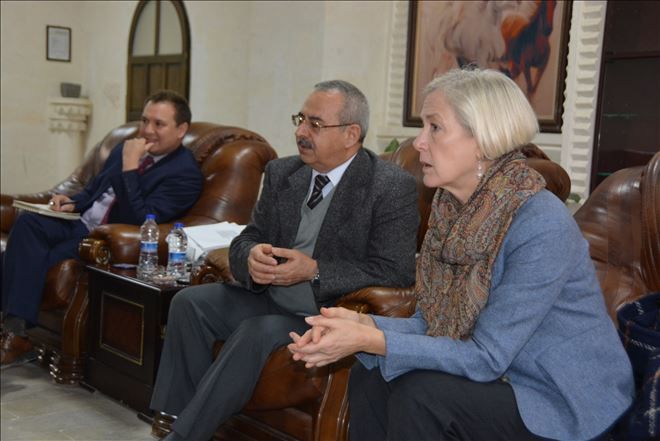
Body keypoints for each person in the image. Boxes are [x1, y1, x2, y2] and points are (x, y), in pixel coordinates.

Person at [288, 68, 635, 441]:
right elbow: (433, 326)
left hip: (558, 397)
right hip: (502, 378)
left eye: (435, 127)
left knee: (421, 396)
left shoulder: (541, 223)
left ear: (482, 140)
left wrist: (371, 340)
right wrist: (363, 326)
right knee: (371, 375)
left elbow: (487, 355)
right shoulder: (450, 213)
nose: (419, 142)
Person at [149, 80, 420, 440]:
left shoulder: (388, 186)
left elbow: (396, 271)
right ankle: (177, 418)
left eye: (315, 124)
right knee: (189, 304)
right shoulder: (283, 173)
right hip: (269, 297)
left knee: (256, 332)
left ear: (351, 134)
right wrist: (251, 257)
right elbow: (248, 237)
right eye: (300, 119)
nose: (301, 132)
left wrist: (316, 270)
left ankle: (184, 437)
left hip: (325, 313)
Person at [1, 90, 203, 365]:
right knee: (28, 223)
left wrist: (130, 168)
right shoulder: (124, 147)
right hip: (79, 221)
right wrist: (71, 202)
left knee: (32, 258)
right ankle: (15, 331)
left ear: (181, 130)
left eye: (159, 124)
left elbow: (141, 220)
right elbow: (95, 190)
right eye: (145, 121)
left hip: (103, 239)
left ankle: (16, 334)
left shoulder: (185, 174)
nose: (147, 130)